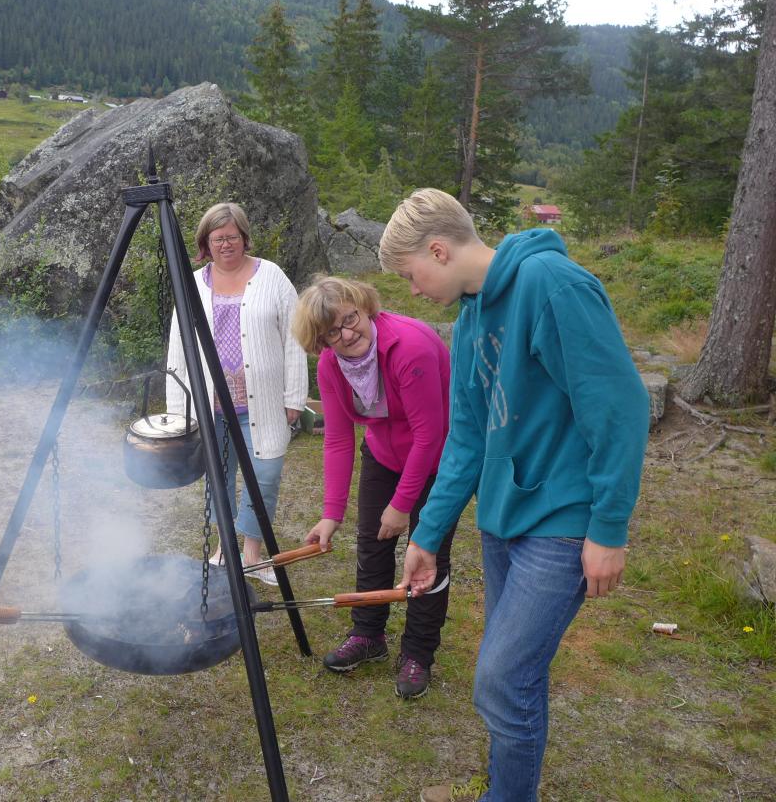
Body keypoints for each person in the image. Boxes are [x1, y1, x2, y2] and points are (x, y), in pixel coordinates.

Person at [380, 189, 649, 802]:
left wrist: (608, 528)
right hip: (503, 525)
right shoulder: (469, 322)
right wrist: (428, 534)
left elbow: (620, 408)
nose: (413, 291)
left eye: (411, 275)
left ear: (438, 250)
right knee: (517, 677)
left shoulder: (552, 284)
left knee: (500, 679)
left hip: (562, 523)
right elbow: (465, 440)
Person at [294, 276, 456, 698]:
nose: (347, 335)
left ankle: (418, 652)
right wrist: (331, 514)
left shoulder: (410, 348)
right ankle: (369, 635)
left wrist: (402, 504)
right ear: (321, 341)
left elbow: (429, 436)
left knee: (427, 553)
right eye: (333, 332)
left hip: (438, 460)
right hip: (384, 454)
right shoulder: (331, 366)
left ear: (365, 308)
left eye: (350, 319)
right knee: (371, 544)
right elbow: (337, 438)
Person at [166, 202, 307, 585]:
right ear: (205, 243)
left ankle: (253, 554)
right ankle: (225, 548)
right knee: (219, 477)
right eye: (217, 239)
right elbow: (178, 349)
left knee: (266, 474)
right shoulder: (193, 284)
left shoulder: (272, 277)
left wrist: (294, 396)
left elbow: (295, 337)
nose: (225, 244)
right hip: (209, 405)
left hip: (263, 401)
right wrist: (179, 410)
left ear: (244, 238)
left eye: (232, 237)